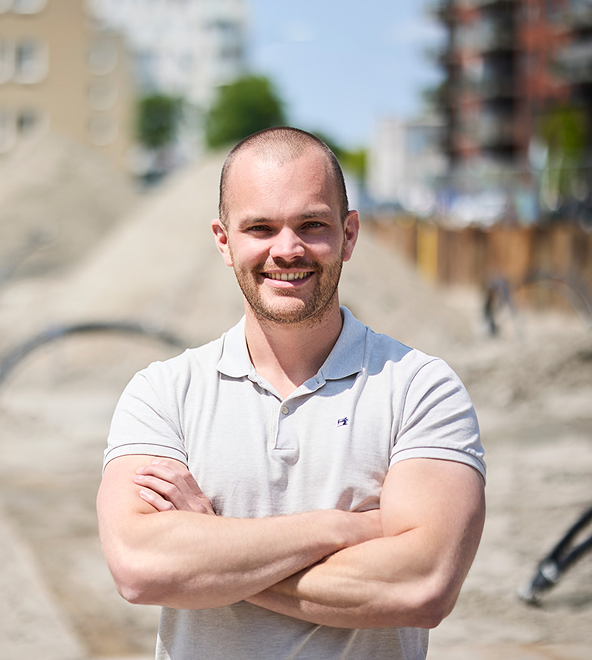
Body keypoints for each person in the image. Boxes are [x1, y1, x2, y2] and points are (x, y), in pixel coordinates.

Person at [97, 127, 486, 660]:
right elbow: (141, 570)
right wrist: (346, 529)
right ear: (223, 239)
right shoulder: (163, 393)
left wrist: (213, 550)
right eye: (260, 227)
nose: (287, 249)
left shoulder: (421, 388)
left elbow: (422, 585)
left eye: (312, 225)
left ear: (349, 234)